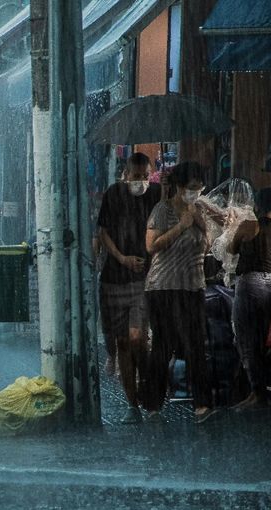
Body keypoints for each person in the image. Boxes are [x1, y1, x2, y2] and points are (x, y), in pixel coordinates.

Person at [144, 162, 217, 423]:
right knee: (164, 346)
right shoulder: (162, 210)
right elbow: (152, 246)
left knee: (196, 345)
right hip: (164, 287)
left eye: (199, 187)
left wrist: (202, 225)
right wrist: (181, 226)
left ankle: (202, 405)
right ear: (179, 186)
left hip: (193, 286)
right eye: (191, 187)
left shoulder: (199, 210)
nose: (195, 192)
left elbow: (206, 247)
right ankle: (153, 404)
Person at [96, 152, 161, 423]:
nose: (141, 182)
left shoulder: (157, 193)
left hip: (144, 279)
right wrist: (122, 258)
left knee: (138, 338)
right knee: (123, 342)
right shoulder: (113, 194)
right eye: (136, 177)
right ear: (126, 175)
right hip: (114, 277)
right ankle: (132, 404)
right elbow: (102, 232)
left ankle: (149, 389)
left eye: (145, 176)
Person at [227, 188, 271, 411]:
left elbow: (230, 249)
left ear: (256, 205)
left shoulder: (249, 226)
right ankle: (261, 389)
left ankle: (257, 392)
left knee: (247, 337)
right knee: (266, 338)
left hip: (250, 284)